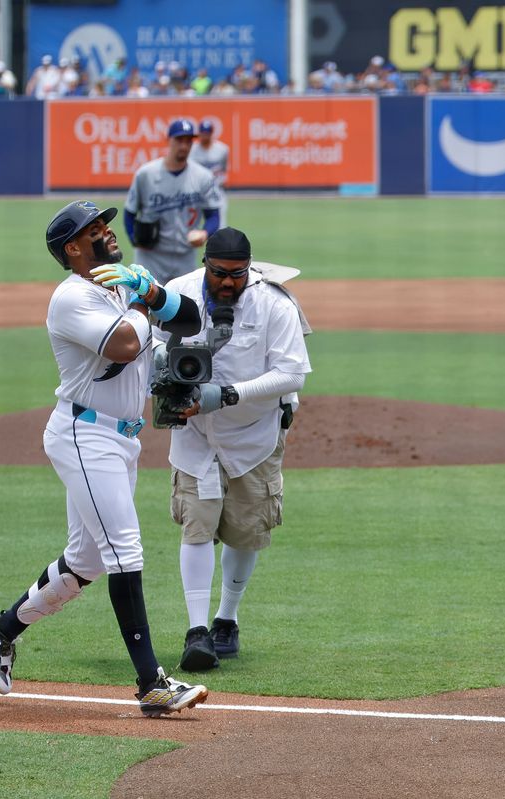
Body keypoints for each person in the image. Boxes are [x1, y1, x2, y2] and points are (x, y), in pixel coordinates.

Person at [0, 200, 210, 717]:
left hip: (120, 440)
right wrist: (145, 302)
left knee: (85, 561)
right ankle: (152, 684)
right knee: (126, 551)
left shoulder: (124, 282)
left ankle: (0, 629)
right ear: (72, 249)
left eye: (105, 224)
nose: (107, 232)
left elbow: (190, 318)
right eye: (93, 230)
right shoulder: (71, 297)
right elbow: (125, 344)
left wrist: (148, 289)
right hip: (84, 434)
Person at [155, 228, 312, 671]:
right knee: (197, 526)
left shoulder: (274, 305)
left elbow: (292, 374)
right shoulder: (177, 295)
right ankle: (196, 631)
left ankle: (228, 617)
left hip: (255, 436)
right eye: (219, 273)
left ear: (250, 268)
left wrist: (226, 394)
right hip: (194, 434)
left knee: (245, 529)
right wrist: (166, 374)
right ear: (205, 263)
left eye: (237, 274)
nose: (227, 282)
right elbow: (147, 343)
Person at [123, 119, 221, 285]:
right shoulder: (146, 174)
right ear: (169, 140)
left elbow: (213, 216)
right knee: (142, 306)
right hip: (150, 257)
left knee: (186, 307)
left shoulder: (203, 176)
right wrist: (134, 239)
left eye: (188, 141)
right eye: (179, 140)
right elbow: (129, 213)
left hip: (185, 256)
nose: (184, 146)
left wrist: (204, 233)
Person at [190, 120, 229, 229]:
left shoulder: (222, 149)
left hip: (215, 191)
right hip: (196, 192)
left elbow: (223, 169)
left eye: (206, 134)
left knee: (220, 226)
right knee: (191, 225)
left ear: (211, 134)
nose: (204, 136)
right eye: (202, 133)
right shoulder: (192, 150)